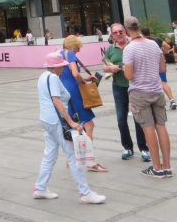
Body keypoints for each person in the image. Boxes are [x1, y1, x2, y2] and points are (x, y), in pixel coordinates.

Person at [33, 52, 106, 204]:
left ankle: (40, 188)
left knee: (49, 155)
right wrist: (71, 122)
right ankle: (85, 193)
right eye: (61, 66)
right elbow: (57, 101)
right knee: (73, 157)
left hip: (47, 120)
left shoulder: (42, 76)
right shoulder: (53, 78)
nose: (62, 68)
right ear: (56, 66)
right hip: (57, 121)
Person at [123, 16, 172, 177]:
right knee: (161, 127)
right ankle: (167, 167)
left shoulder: (129, 49)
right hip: (156, 90)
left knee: (148, 128)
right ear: (139, 27)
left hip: (139, 92)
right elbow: (162, 68)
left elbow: (129, 75)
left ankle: (157, 168)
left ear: (126, 29)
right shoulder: (153, 44)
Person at [102, 23, 150, 162]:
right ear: (112, 35)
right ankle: (127, 147)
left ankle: (144, 149)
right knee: (121, 119)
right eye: (115, 32)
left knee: (138, 119)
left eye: (120, 31)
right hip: (118, 87)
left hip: (134, 87)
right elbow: (105, 65)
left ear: (125, 31)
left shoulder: (133, 46)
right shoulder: (110, 49)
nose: (118, 34)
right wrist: (110, 69)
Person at [60, 35, 107, 172]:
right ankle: (88, 160)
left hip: (63, 91)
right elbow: (75, 73)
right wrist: (83, 82)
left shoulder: (59, 54)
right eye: (79, 46)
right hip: (74, 92)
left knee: (74, 125)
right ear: (74, 45)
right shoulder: (70, 54)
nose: (79, 49)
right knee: (89, 124)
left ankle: (72, 158)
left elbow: (66, 74)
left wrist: (83, 78)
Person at [141, 27, 177, 110]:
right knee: (163, 82)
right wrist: (163, 53)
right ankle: (172, 100)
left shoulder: (141, 42)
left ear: (142, 34)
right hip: (160, 64)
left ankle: (152, 103)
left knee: (149, 83)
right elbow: (167, 46)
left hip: (149, 65)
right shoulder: (157, 39)